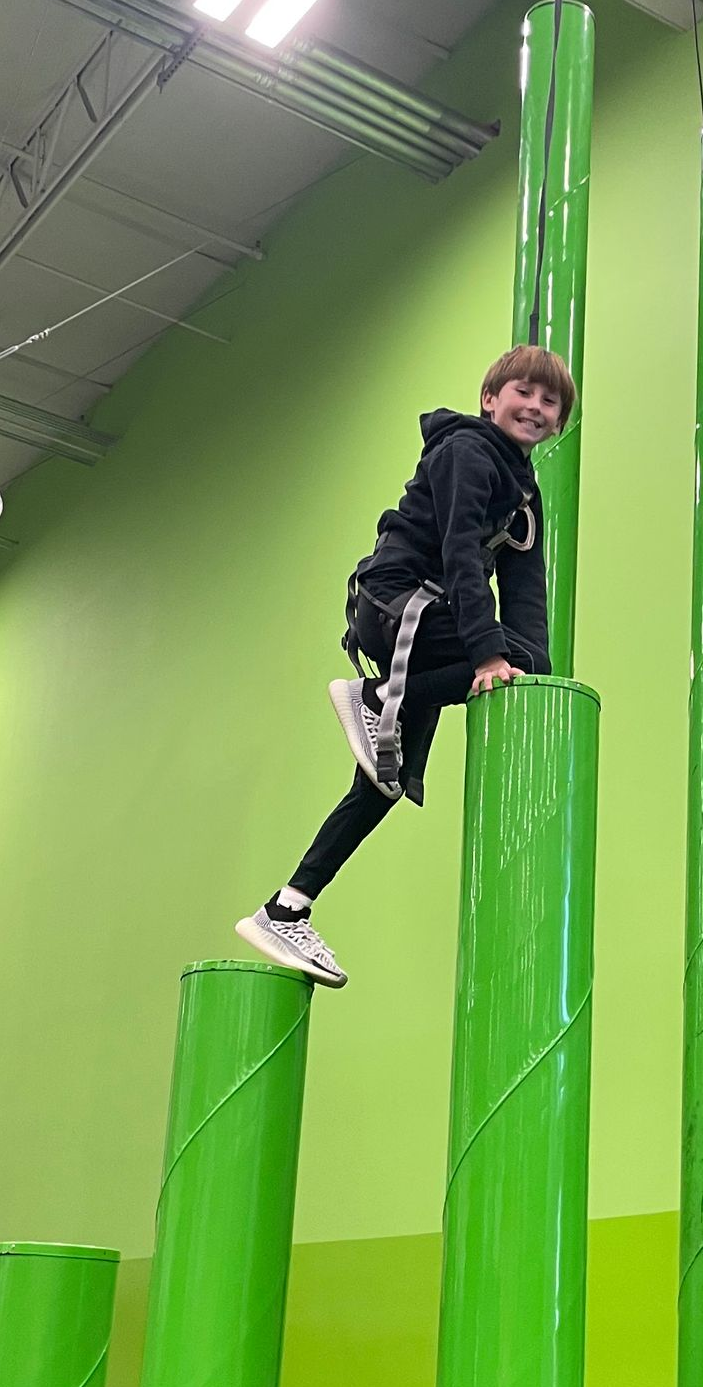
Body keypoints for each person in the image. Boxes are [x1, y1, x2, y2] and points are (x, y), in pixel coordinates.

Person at [237, 344, 574, 987]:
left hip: (433, 624)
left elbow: (527, 594)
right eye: (523, 392)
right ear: (490, 399)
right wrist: (491, 656)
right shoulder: (466, 451)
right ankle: (372, 697)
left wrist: (532, 683)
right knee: (513, 656)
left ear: (560, 421)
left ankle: (286, 907)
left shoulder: (523, 494)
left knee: (383, 783)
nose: (534, 406)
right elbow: (458, 556)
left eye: (550, 400)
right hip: (401, 605)